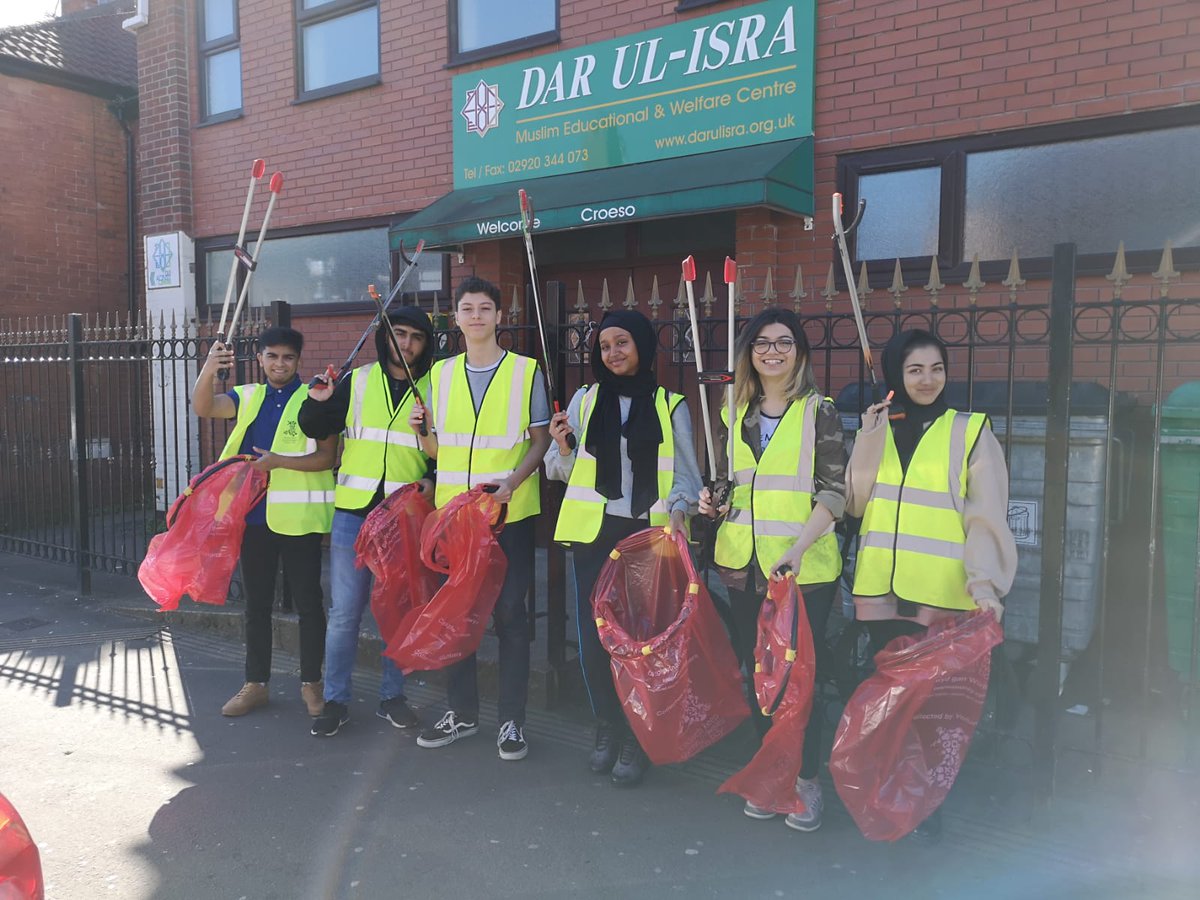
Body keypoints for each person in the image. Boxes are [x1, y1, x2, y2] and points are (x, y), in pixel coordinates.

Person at [845, 328, 1017, 840]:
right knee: (890, 702)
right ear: (896, 374)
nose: (927, 379)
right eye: (915, 369)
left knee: (927, 708)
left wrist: (985, 585)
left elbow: (986, 516)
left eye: (936, 369)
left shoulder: (969, 431)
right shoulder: (879, 427)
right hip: (880, 593)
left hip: (941, 596)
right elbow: (855, 502)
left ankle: (923, 804)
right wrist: (868, 437)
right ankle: (888, 792)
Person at [698, 307, 847, 832]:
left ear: (799, 353)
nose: (773, 352)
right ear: (749, 353)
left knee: (800, 679)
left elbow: (835, 491)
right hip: (744, 566)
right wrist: (712, 502)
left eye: (784, 342)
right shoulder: (733, 412)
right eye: (762, 343)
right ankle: (771, 775)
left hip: (803, 571)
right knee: (759, 675)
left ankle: (805, 779)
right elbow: (727, 484)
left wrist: (800, 547)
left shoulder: (819, 412)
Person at [544, 309, 702, 787]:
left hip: (648, 539)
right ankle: (607, 726)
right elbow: (557, 469)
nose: (613, 353)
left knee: (642, 644)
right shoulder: (585, 400)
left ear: (642, 346)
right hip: (593, 535)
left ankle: (638, 735)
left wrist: (680, 512)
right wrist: (564, 447)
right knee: (595, 642)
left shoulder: (671, 405)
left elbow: (687, 478)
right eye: (605, 345)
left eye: (622, 343)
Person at [409, 277, 552, 761]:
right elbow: (438, 450)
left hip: (509, 515)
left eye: (485, 308)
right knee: (458, 615)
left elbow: (540, 440)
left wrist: (512, 482)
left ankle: (512, 720)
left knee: (510, 614)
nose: (476, 316)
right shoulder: (440, 374)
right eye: (467, 308)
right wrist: (421, 434)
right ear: (456, 317)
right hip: (456, 518)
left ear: (498, 316)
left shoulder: (526, 370)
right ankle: (463, 714)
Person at [297, 307, 435, 737]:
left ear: (426, 344)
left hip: (404, 516)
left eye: (415, 336)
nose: (406, 343)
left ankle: (392, 697)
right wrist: (316, 400)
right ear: (385, 337)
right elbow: (313, 425)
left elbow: (448, 448)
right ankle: (335, 701)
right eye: (399, 334)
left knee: (398, 612)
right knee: (344, 613)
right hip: (353, 514)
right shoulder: (356, 381)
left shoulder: (435, 386)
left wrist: (432, 479)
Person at [192, 326, 336, 719]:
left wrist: (277, 462)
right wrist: (209, 367)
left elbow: (327, 458)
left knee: (309, 605)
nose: (279, 364)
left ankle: (312, 684)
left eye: (288, 357)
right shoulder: (249, 396)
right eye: (272, 356)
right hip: (253, 518)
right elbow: (204, 407)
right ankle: (255, 684)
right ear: (259, 358)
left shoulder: (315, 397)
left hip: (301, 519)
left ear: (298, 360)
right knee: (256, 605)